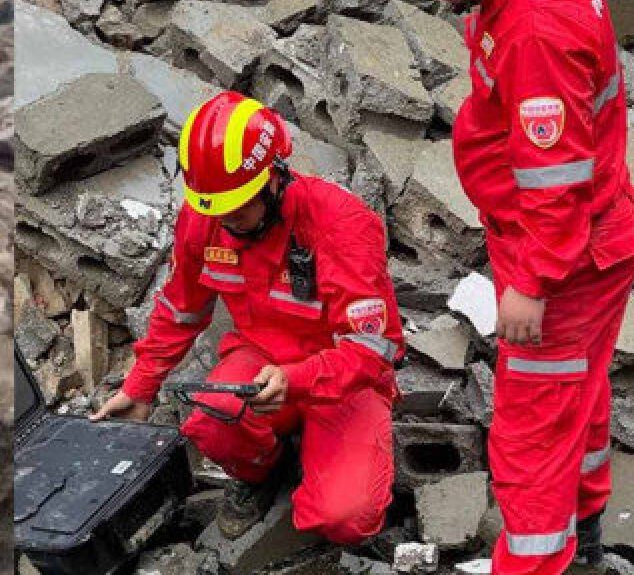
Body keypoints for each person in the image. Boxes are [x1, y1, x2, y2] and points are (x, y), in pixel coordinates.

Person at [354, 0, 634, 573]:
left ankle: (542, 559)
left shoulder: (537, 29)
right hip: (588, 237)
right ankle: (585, 544)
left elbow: (556, 181)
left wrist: (534, 283)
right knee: (580, 399)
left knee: (531, 438)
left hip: (566, 260)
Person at [91, 91, 403, 544]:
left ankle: (319, 459)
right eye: (216, 208)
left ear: (275, 177)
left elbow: (373, 354)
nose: (228, 222)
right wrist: (139, 387)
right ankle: (262, 472)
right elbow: (182, 308)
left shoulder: (341, 224)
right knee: (213, 420)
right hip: (260, 360)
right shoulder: (207, 217)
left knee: (346, 518)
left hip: (341, 377)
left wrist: (295, 380)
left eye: (239, 207)